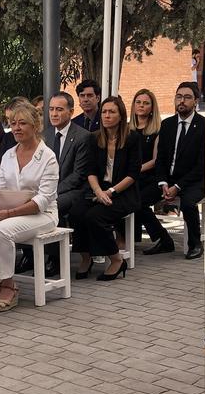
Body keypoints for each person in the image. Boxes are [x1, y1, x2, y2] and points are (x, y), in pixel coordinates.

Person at [0, 99, 60, 312]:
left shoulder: (47, 157)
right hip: (9, 212)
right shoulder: (9, 155)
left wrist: (7, 214)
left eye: (22, 123)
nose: (17, 128)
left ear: (35, 126)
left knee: (1, 231)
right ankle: (1, 283)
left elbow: (43, 200)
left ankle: (9, 286)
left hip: (43, 214)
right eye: (13, 124)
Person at [71, 96, 140, 281]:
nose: (107, 115)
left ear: (121, 115)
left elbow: (133, 174)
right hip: (98, 189)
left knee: (95, 217)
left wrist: (110, 192)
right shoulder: (95, 138)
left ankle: (116, 259)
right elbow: (90, 171)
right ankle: (86, 258)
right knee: (77, 211)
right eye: (104, 112)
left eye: (112, 112)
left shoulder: (132, 138)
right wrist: (98, 191)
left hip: (123, 191)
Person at [152, 82, 205, 259]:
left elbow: (201, 165)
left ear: (196, 101)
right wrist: (163, 183)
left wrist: (177, 186)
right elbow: (160, 159)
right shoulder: (167, 124)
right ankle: (164, 239)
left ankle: (195, 244)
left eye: (187, 97)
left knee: (188, 204)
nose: (182, 101)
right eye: (179, 96)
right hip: (167, 180)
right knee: (137, 199)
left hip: (194, 180)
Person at [42, 92, 94, 275]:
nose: (54, 114)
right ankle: (31, 254)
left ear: (71, 112)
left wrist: (51, 192)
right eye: (51, 109)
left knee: (53, 206)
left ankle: (54, 259)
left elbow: (79, 175)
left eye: (59, 109)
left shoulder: (83, 136)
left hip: (75, 190)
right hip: (48, 189)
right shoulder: (45, 135)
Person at [131, 89, 168, 247]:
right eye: (138, 102)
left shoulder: (158, 130)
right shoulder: (127, 129)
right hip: (133, 177)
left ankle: (164, 239)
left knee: (137, 202)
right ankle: (132, 237)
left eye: (146, 103)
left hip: (153, 178)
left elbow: (155, 160)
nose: (141, 106)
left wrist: (135, 170)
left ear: (152, 108)